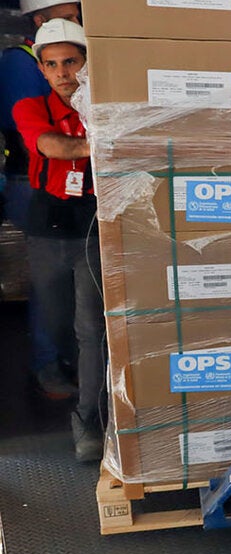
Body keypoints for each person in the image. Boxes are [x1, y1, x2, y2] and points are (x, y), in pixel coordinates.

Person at [13, 18, 103, 462]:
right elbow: (50, 146)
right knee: (56, 323)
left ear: (87, 63)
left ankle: (88, 420)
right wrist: (103, 143)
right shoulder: (30, 108)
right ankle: (64, 370)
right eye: (53, 65)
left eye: (72, 61)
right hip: (47, 224)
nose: (65, 73)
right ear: (42, 71)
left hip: (92, 223)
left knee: (91, 328)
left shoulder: (104, 107)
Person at [3, 0, 82, 400]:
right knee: (51, 295)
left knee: (86, 305)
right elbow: (44, 139)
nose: (62, 73)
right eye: (67, 16)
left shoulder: (92, 103)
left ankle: (84, 371)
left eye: (70, 62)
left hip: (87, 206)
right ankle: (50, 365)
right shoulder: (21, 70)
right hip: (40, 196)